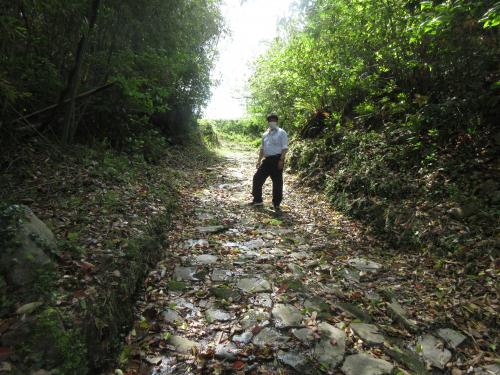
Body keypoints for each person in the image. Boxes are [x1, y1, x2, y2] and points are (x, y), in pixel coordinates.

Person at [250, 112, 289, 211]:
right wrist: (259, 160)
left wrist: (281, 160)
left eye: (274, 120)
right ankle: (258, 200)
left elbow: (285, 148)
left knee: (277, 183)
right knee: (257, 178)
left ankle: (276, 204)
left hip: (277, 159)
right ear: (268, 122)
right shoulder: (265, 134)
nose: (272, 122)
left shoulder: (282, 132)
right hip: (267, 161)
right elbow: (262, 148)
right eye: (270, 120)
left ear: (277, 121)